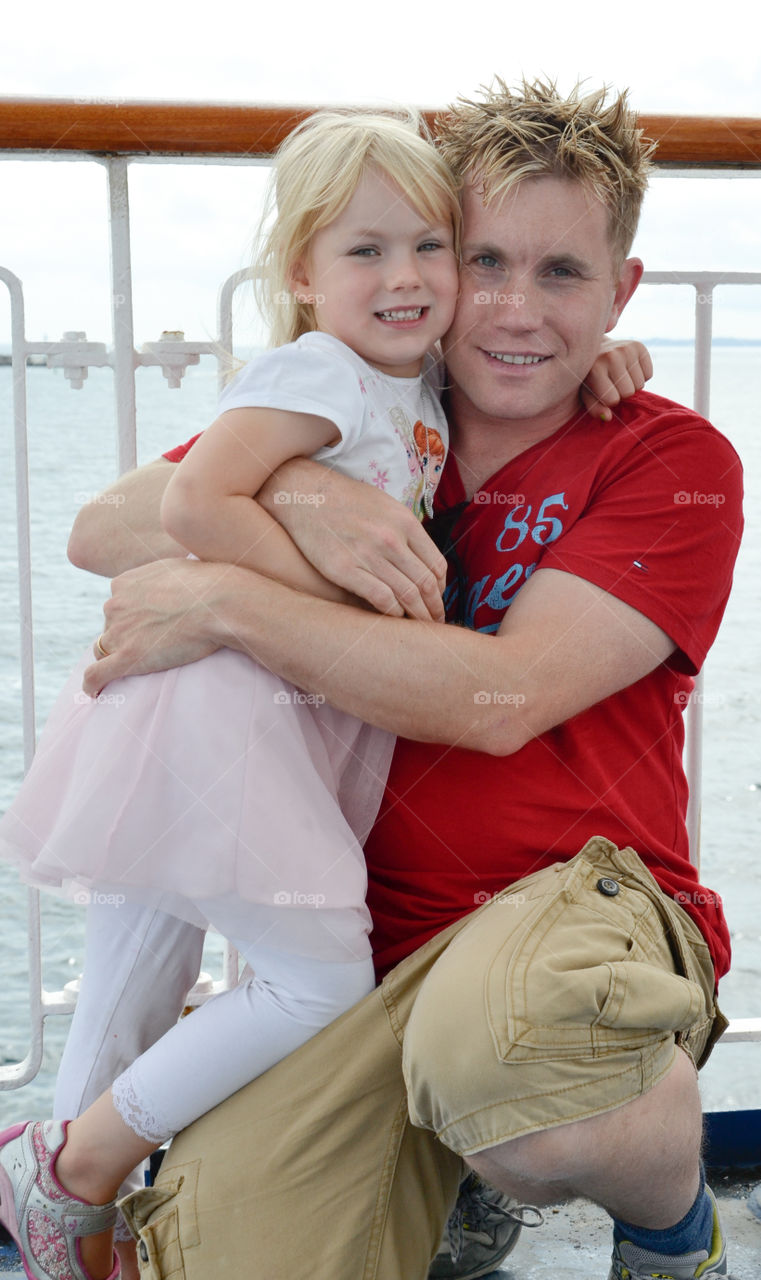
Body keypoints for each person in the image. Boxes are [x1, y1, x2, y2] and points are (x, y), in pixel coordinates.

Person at [63, 79, 742, 1280]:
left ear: (619, 291)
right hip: (366, 946)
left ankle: (666, 1219)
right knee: (227, 1254)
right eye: (481, 260)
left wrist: (227, 595)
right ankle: (449, 1172)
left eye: (563, 275)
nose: (513, 310)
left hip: (574, 902)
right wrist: (300, 491)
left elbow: (500, 699)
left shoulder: (665, 454)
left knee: (522, 1082)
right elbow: (110, 524)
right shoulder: (374, 407)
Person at [0, 109, 465, 1280]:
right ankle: (72, 1162)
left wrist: (616, 354)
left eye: (429, 244)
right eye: (364, 250)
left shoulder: (412, 379)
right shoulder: (316, 373)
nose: (403, 275)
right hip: (223, 700)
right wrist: (330, 588)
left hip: (240, 707)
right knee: (319, 978)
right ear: (302, 275)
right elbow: (198, 504)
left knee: (138, 957)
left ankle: (60, 1217)